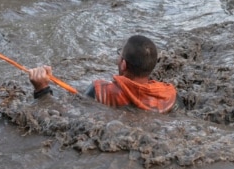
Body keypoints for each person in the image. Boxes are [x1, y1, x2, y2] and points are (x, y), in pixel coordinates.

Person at [28, 35, 177, 113]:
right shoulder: (169, 95)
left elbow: (63, 114)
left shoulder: (99, 91)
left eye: (120, 54)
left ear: (123, 64)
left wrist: (42, 90)